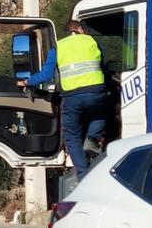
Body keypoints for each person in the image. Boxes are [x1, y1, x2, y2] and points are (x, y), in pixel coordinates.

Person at [22, 16, 110, 178]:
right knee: (100, 114)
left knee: (72, 136)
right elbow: (103, 66)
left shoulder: (58, 47)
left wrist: (26, 82)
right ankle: (92, 138)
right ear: (81, 30)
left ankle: (83, 175)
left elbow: (46, 75)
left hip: (72, 97)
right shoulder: (92, 42)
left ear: (67, 33)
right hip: (96, 92)